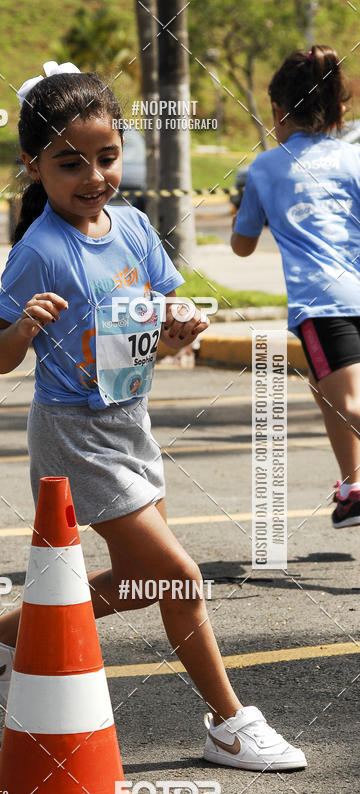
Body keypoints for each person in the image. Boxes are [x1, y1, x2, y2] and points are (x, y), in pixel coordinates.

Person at [0, 61, 306, 771]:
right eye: (69, 163)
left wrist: (182, 322)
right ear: (34, 167)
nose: (93, 177)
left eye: (106, 157)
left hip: (131, 420)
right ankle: (229, 722)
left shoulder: (137, 226)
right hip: (75, 434)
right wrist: (22, 328)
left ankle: (0, 636)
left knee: (146, 581)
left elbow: (162, 309)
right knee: (180, 579)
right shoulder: (38, 252)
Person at [231, 45, 360, 529]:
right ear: (336, 109)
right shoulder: (352, 159)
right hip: (355, 293)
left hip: (321, 304)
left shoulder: (266, 168)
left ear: (278, 112)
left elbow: (242, 245)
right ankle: (353, 488)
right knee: (325, 390)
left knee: (347, 401)